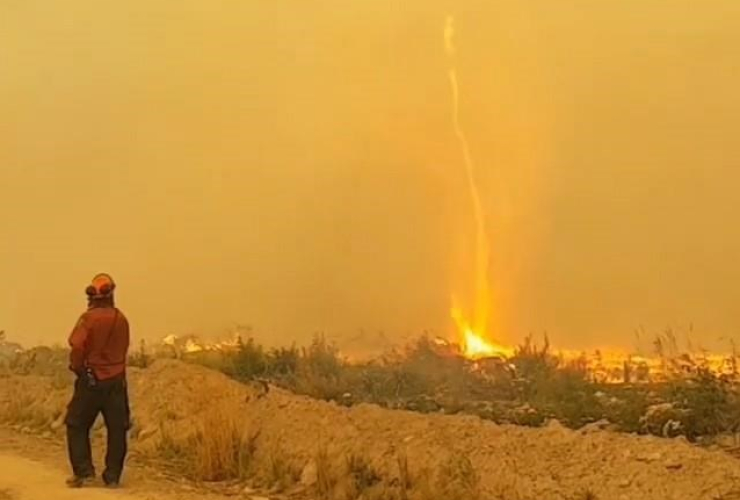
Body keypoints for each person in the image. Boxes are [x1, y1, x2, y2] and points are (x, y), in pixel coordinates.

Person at [65, 273, 131, 488]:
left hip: (91, 381)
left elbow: (77, 346)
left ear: (92, 296)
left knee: (76, 424)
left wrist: (78, 369)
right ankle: (112, 477)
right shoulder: (121, 319)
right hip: (117, 382)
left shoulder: (88, 319)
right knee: (117, 429)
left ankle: (84, 473)